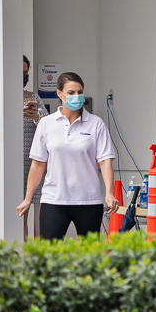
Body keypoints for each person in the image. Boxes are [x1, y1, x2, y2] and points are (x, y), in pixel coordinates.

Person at [16, 72, 118, 240]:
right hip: (54, 200)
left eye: (80, 92)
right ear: (59, 94)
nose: (76, 97)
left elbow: (105, 161)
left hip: (88, 201)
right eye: (71, 93)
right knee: (49, 256)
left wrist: (109, 192)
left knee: (90, 257)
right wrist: (27, 199)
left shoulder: (96, 124)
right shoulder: (46, 124)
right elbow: (38, 164)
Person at [0, 55, 48, 243]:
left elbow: (48, 129)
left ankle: (20, 264)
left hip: (27, 163)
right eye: (19, 72)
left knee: (22, 215)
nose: (23, 76)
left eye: (25, 72)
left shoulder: (34, 97)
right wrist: (15, 112)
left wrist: (35, 117)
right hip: (0, 162)